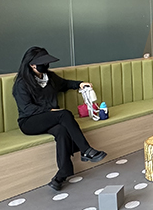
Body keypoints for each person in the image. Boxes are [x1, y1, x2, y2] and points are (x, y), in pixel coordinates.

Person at [12, 47, 107, 192]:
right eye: (42, 63)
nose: (46, 65)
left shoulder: (49, 78)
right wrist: (51, 111)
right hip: (30, 121)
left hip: (51, 118)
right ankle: (85, 150)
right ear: (32, 65)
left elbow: (65, 84)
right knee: (64, 114)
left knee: (61, 131)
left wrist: (80, 84)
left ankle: (61, 175)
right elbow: (27, 108)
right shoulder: (22, 84)